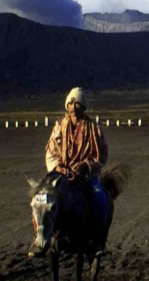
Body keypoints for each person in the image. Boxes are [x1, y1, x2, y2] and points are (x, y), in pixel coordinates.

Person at [45, 87, 110, 224]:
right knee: (43, 198)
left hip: (86, 177)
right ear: (66, 106)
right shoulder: (59, 129)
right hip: (63, 175)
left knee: (100, 199)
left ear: (83, 106)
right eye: (70, 103)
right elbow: (51, 152)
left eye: (77, 103)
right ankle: (42, 236)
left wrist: (86, 165)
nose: (73, 107)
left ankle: (98, 240)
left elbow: (102, 152)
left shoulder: (94, 129)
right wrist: (58, 168)